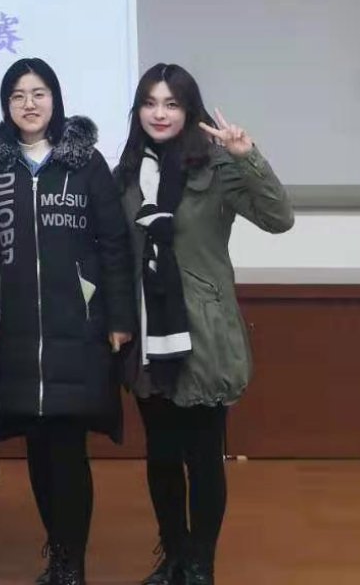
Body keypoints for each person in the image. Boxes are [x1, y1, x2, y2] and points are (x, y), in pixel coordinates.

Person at [114, 64, 293, 585]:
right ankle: (172, 555)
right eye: (150, 103)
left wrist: (247, 156)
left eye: (171, 104)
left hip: (204, 331)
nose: (160, 114)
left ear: (189, 111)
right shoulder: (127, 173)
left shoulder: (215, 168)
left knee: (204, 455)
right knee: (162, 455)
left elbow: (279, 218)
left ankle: (200, 564)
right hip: (148, 331)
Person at [0, 58, 135, 585]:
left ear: (55, 99)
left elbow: (114, 245)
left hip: (80, 332)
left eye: (39, 93)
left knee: (68, 450)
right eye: (18, 95)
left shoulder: (85, 164)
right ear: (6, 105)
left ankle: (71, 561)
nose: (29, 104)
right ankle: (59, 552)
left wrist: (118, 317)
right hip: (19, 337)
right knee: (39, 453)